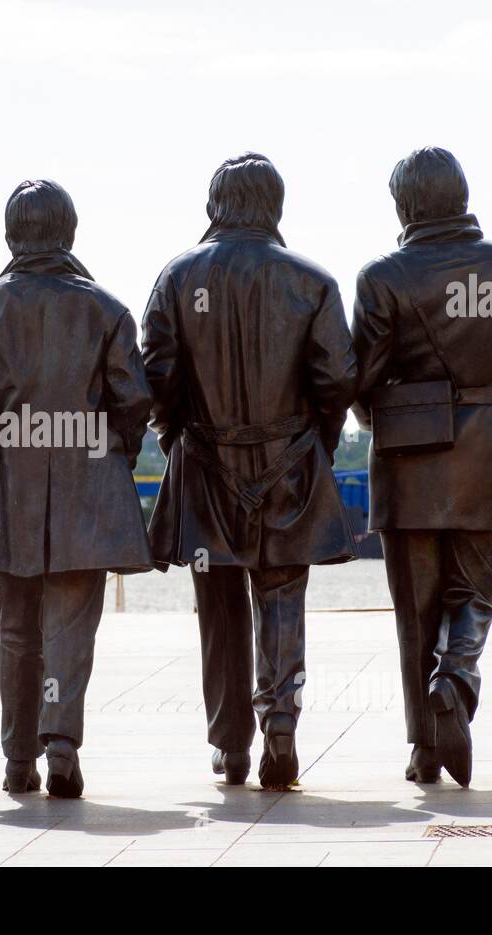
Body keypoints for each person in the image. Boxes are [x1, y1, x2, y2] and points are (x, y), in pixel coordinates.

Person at [351, 147, 492, 787]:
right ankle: (456, 677)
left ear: (404, 204)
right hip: (486, 457)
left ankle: (425, 748)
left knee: (414, 614)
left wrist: (389, 413)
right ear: (462, 195)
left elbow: (356, 380)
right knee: (476, 593)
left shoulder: (381, 277)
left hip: (406, 466)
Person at [142, 153, 358, 790]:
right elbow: (338, 378)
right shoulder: (312, 281)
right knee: (283, 598)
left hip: (206, 468)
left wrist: (174, 434)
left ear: (215, 206)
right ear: (276, 208)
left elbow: (155, 377)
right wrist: (315, 440)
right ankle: (281, 723)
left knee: (220, 609)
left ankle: (231, 743)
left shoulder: (179, 277)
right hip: (290, 465)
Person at [0, 179, 152, 798]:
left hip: (10, 485)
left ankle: (16, 760)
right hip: (88, 488)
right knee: (70, 628)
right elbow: (134, 402)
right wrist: (109, 455)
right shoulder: (107, 310)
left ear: (11, 236)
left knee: (17, 631)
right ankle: (60, 747)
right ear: (69, 233)